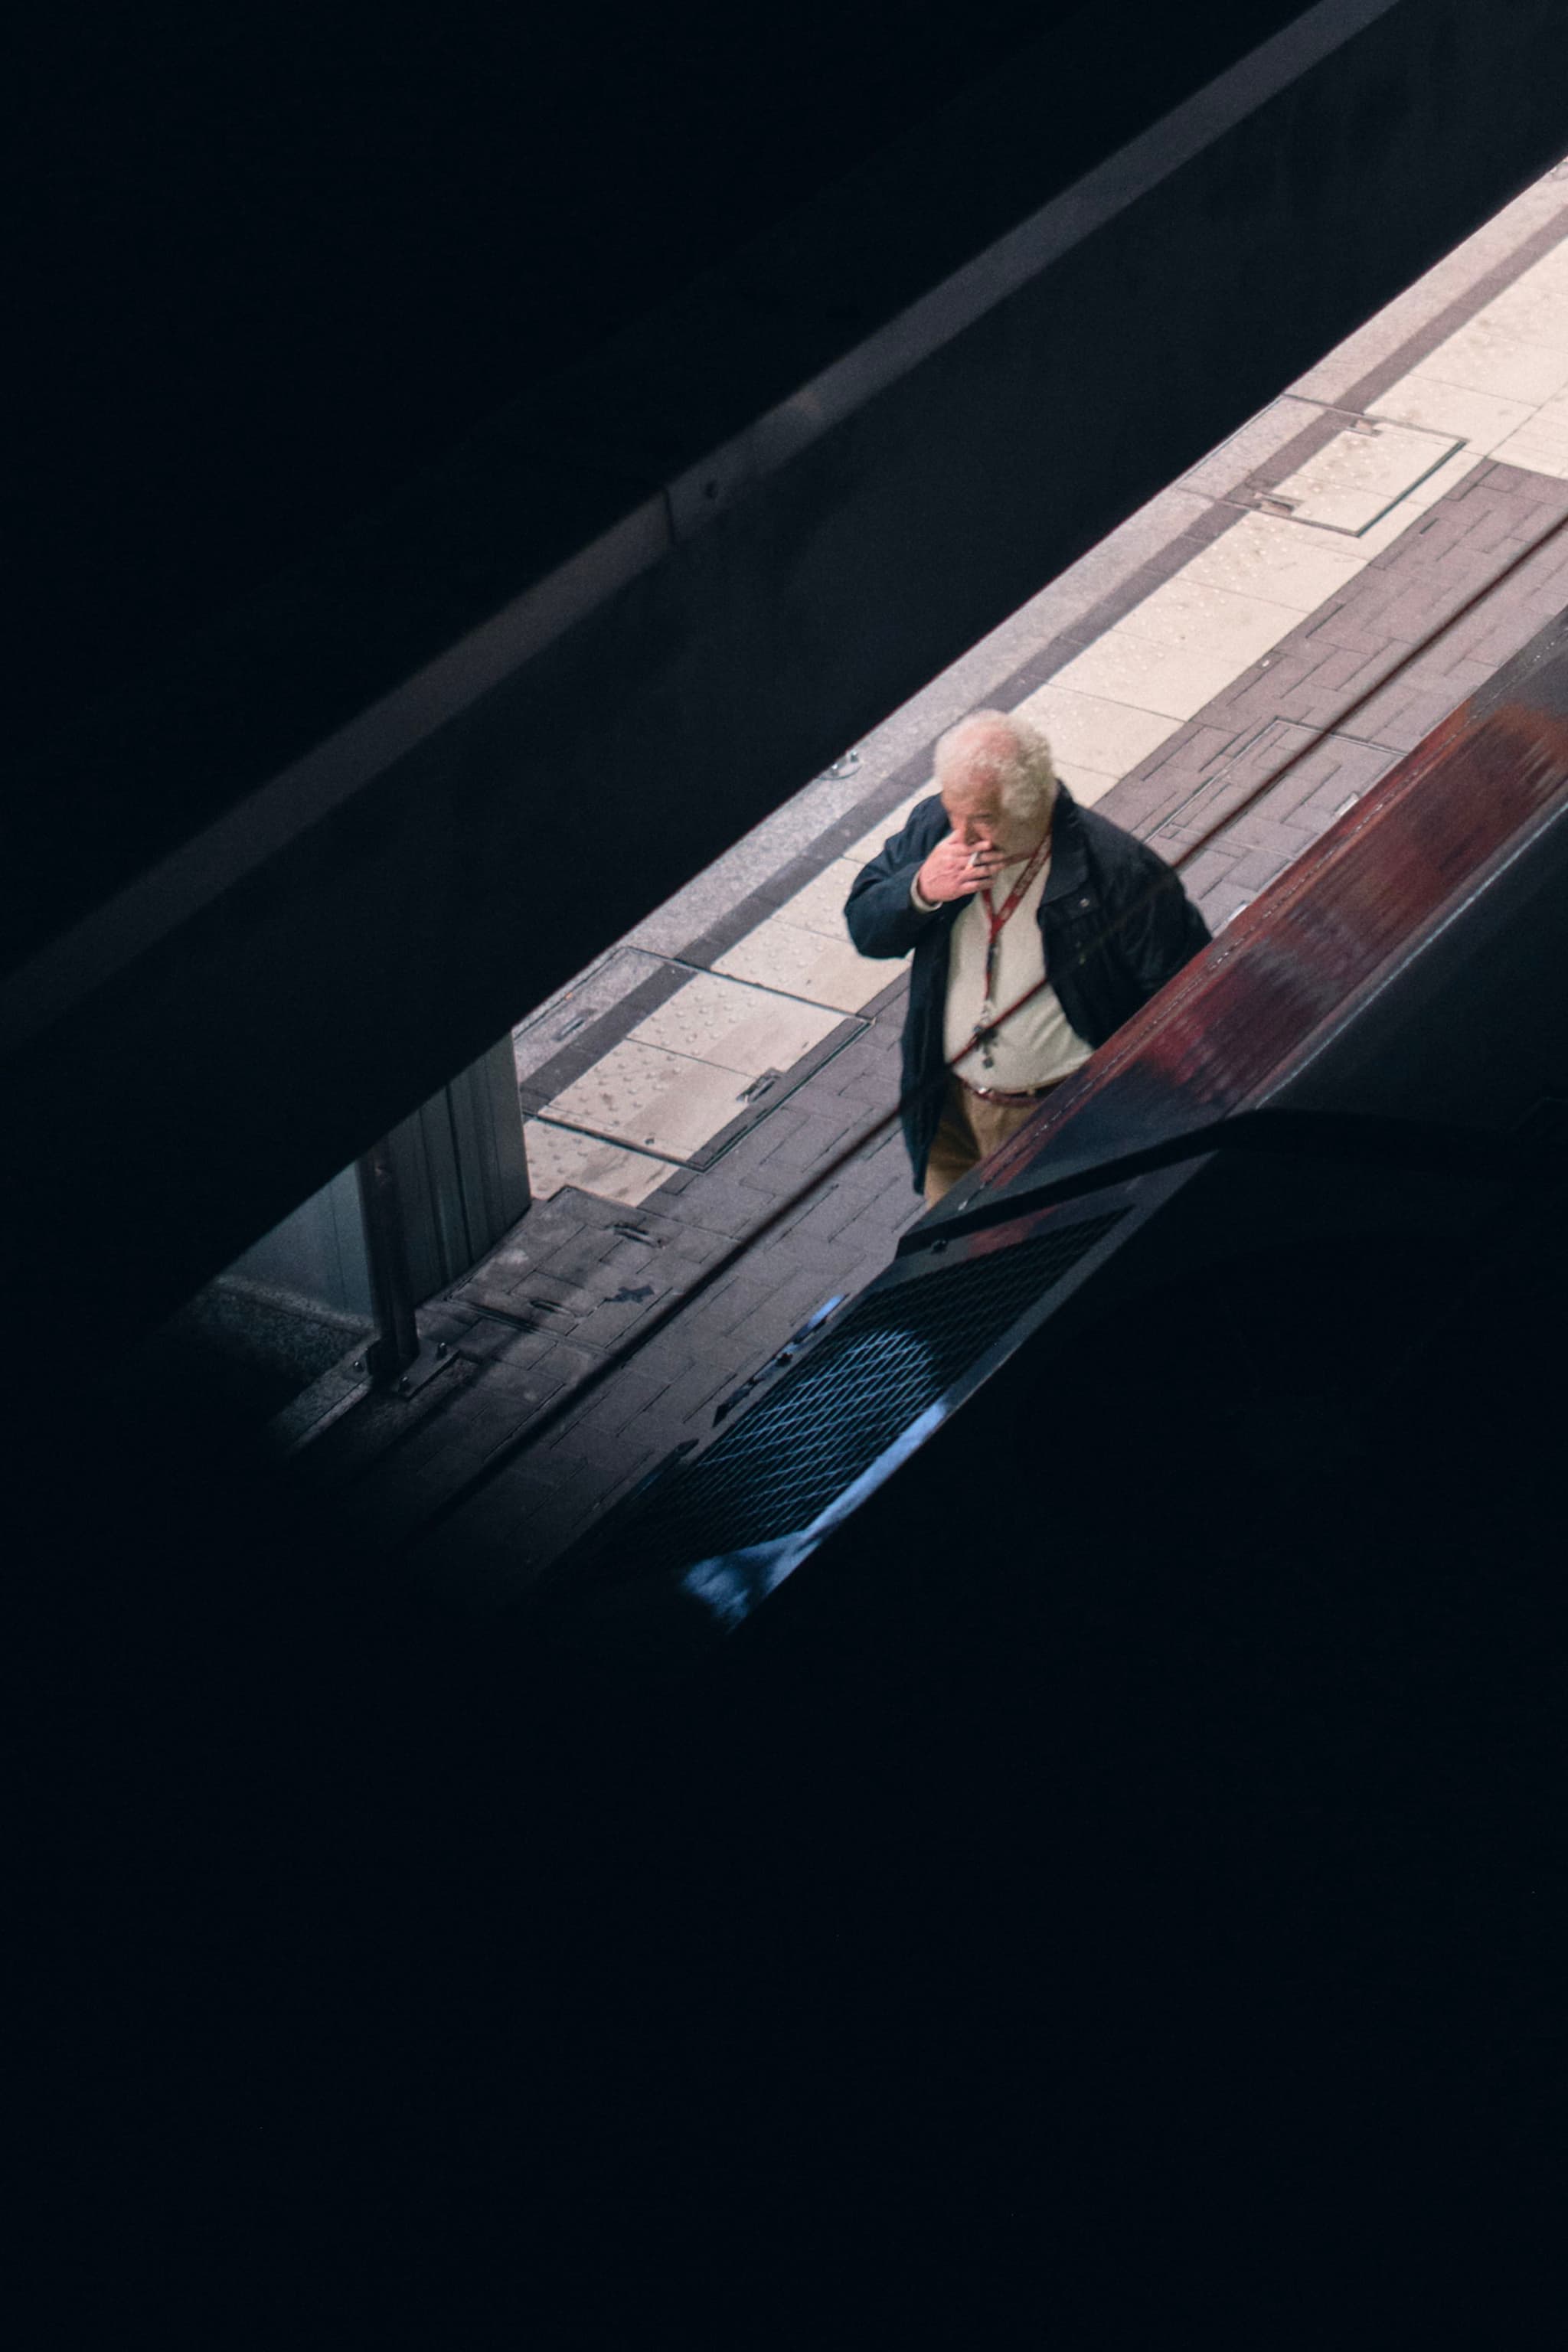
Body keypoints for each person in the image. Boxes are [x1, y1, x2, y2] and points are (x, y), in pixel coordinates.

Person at [844, 707, 1210, 1206]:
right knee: (952, 1240)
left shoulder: (1119, 872)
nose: (961, 836)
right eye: (954, 811)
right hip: (949, 1108)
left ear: (1032, 806)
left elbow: (1188, 1004)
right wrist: (920, 888)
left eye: (982, 819)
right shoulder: (936, 828)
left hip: (1058, 1121)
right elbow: (866, 926)